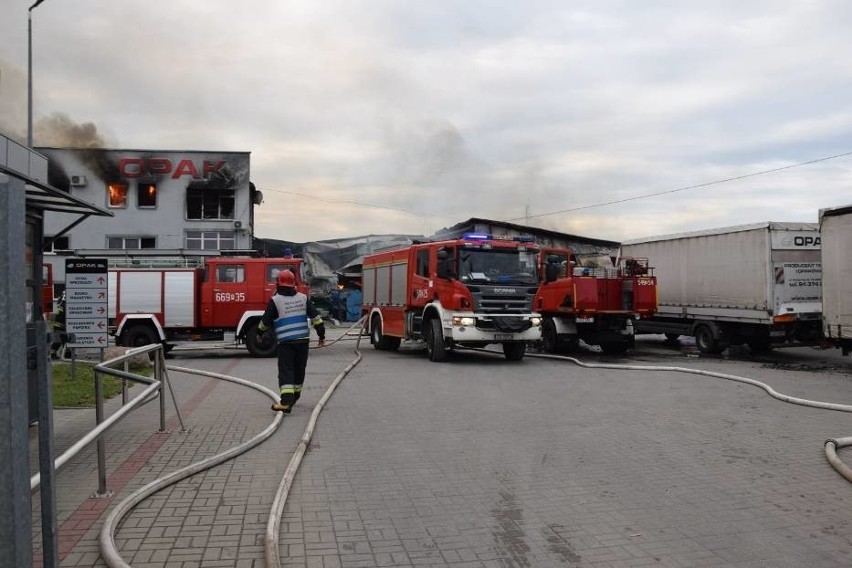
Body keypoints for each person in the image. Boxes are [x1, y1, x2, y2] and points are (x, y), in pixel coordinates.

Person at [258, 269, 325, 413]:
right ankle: (295, 397)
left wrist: (259, 333)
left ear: (278, 284)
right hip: (302, 342)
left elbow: (265, 321)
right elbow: (316, 318)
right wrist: (321, 336)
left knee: (286, 370)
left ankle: (286, 402)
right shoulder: (303, 298)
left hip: (286, 343)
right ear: (293, 284)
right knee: (299, 369)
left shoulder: (275, 300)